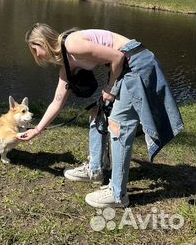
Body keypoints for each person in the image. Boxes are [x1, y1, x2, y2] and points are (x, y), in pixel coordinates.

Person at [18, 23, 184, 209]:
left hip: (136, 62)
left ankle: (117, 194)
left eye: (34, 49)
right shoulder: (67, 63)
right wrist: (37, 130)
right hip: (125, 67)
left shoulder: (71, 44)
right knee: (98, 114)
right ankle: (95, 170)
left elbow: (117, 56)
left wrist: (110, 88)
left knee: (118, 125)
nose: (37, 55)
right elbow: (57, 102)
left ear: (42, 42)